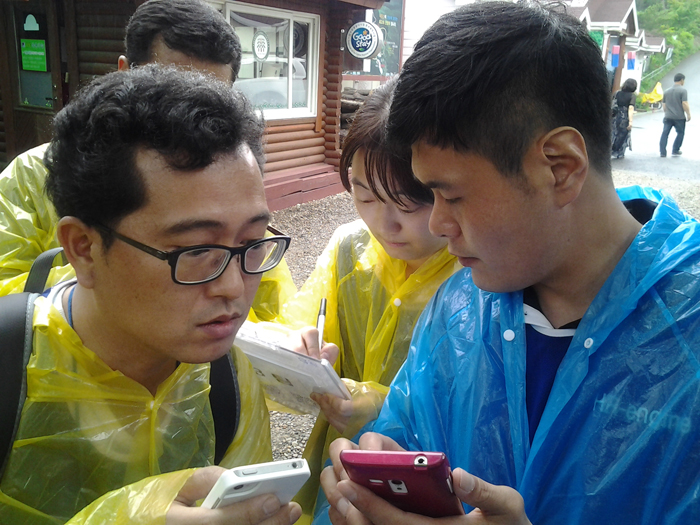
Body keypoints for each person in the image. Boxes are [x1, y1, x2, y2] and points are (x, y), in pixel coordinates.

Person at [317, 3, 700, 524]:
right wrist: (373, 475)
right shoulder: (460, 308)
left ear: (559, 167)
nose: (438, 225)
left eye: (452, 196)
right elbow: (405, 428)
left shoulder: (685, 329)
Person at [0, 65, 302, 525]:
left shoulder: (227, 379)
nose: (232, 287)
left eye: (251, 243)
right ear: (83, 248)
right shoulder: (11, 369)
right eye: (195, 250)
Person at [0, 0, 296, 322]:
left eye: (211, 99)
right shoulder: (31, 175)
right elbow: (8, 295)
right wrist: (117, 269)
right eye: (165, 90)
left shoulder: (230, 177)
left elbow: (275, 310)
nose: (188, 117)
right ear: (124, 72)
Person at [275, 79, 460, 524]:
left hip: (433, 481)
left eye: (407, 204)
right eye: (364, 196)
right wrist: (298, 354)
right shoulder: (350, 249)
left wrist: (381, 406)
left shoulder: (476, 274)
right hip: (341, 461)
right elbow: (299, 327)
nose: (384, 224)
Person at [659, 72, 692, 157]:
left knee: (665, 133)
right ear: (682, 80)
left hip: (668, 116)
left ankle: (663, 152)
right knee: (680, 133)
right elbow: (684, 103)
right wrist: (688, 114)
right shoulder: (683, 91)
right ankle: (675, 149)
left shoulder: (667, 91)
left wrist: (667, 113)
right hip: (679, 117)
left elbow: (664, 105)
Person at [611, 78, 637, 159]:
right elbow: (630, 108)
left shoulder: (617, 93)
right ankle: (618, 151)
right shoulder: (632, 96)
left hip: (614, 116)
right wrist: (630, 122)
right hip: (624, 118)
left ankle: (610, 149)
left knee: (613, 133)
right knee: (622, 135)